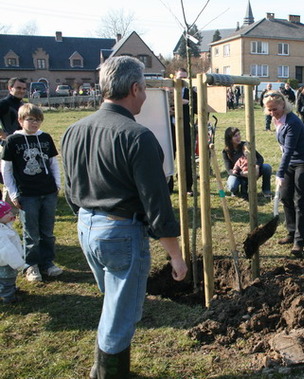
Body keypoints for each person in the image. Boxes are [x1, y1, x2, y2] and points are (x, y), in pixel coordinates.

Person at [61, 56, 188, 378]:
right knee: (122, 314)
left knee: (115, 306)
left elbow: (70, 187)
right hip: (119, 233)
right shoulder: (137, 136)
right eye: (144, 88)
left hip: (87, 227)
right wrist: (176, 257)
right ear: (134, 88)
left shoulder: (74, 130)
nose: (145, 95)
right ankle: (108, 374)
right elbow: (156, 204)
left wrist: (87, 218)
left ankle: (105, 369)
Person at [1, 103, 62, 282]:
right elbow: (7, 170)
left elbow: (53, 164)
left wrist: (57, 185)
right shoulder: (12, 141)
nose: (34, 123)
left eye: (38, 120)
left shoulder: (46, 138)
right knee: (31, 232)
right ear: (20, 120)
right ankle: (31, 265)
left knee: (47, 231)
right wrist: (13, 194)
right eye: (30, 119)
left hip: (48, 191)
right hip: (27, 194)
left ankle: (48, 262)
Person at [263, 90, 304, 257]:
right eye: (269, 110)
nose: (273, 113)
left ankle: (299, 242)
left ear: (283, 105)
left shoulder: (293, 122)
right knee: (286, 197)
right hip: (290, 163)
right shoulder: (276, 120)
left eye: (275, 109)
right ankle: (291, 232)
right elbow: (284, 148)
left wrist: (279, 172)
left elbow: (289, 150)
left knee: (299, 200)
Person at [222, 127, 272, 199]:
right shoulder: (226, 151)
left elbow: (260, 158)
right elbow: (229, 170)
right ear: (230, 139)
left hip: (252, 170)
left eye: (239, 134)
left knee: (267, 167)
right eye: (235, 136)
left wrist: (257, 167)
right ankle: (235, 192)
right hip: (238, 174)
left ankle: (266, 191)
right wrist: (241, 173)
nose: (238, 137)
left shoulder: (245, 146)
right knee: (232, 186)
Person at [174, 68, 195, 196]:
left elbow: (198, 105)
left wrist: (187, 102)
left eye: (185, 77)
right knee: (169, 157)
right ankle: (169, 185)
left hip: (185, 130)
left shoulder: (190, 92)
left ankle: (188, 186)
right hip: (170, 128)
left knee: (187, 158)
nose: (182, 80)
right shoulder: (168, 90)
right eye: (180, 77)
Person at [0, 200, 25, 304]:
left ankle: (10, 289)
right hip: (7, 263)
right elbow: (7, 250)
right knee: (7, 280)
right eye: (7, 213)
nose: (11, 214)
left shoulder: (4, 226)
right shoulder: (1, 234)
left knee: (6, 279)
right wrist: (19, 264)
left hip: (7, 261)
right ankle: (8, 297)